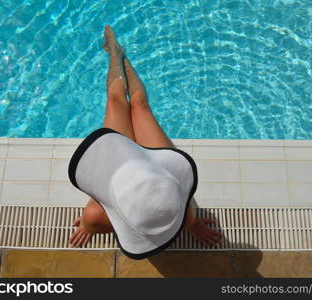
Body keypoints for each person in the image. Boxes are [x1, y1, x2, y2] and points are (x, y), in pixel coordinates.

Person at [68, 25, 221, 256]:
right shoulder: (172, 203)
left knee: (116, 99)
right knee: (139, 104)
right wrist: (192, 225)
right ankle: (120, 56)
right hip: (155, 168)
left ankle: (115, 54)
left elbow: (184, 204)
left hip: (120, 165)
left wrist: (191, 224)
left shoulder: (95, 216)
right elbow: (185, 209)